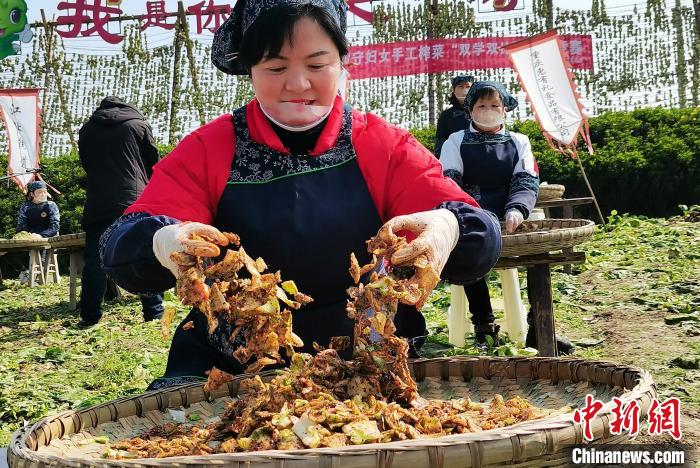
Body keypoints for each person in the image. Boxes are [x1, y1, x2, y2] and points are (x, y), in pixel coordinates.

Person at [100, 0, 502, 389]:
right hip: (227, 369)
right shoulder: (210, 148)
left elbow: (477, 232)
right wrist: (160, 240)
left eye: (317, 64)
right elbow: (121, 245)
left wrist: (449, 227)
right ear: (250, 69)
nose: (298, 84)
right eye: (275, 67)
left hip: (370, 359)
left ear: (342, 62)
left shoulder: (382, 145)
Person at [439, 81, 574, 354]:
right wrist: (472, 214)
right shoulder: (456, 141)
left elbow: (526, 180)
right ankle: (484, 328)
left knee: (539, 253)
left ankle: (539, 326)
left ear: (504, 109)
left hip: (513, 215)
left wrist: (517, 209)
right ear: (470, 110)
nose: (488, 111)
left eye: (494, 105)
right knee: (469, 250)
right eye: (482, 106)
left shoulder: (518, 141)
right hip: (472, 214)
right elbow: (449, 183)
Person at [77, 97, 165, 326]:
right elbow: (152, 162)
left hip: (98, 202)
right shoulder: (138, 125)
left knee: (95, 260)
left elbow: (85, 162)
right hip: (133, 200)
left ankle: (89, 316)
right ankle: (153, 311)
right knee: (141, 254)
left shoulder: (87, 129)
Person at [434, 75, 474, 158]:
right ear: (454, 90)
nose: (464, 90)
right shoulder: (446, 115)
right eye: (460, 87)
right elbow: (440, 142)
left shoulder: (480, 111)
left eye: (467, 86)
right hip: (454, 158)